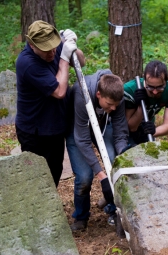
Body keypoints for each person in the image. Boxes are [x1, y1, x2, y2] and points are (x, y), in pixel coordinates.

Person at [15, 20, 85, 187]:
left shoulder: (53, 47)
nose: (52, 52)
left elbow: (81, 62)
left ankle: (49, 209)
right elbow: (59, 92)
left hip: (54, 128)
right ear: (32, 45)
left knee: (54, 173)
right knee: (36, 179)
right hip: (34, 132)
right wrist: (64, 58)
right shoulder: (27, 63)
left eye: (54, 46)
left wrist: (73, 46)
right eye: (46, 49)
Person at [66, 69, 130, 231]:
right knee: (85, 176)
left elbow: (120, 130)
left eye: (116, 104)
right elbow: (82, 139)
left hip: (101, 124)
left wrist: (121, 154)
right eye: (110, 104)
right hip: (78, 130)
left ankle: (114, 210)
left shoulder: (116, 96)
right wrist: (101, 176)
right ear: (99, 95)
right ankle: (81, 216)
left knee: (111, 159)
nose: (114, 108)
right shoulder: (82, 93)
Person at [124, 60, 168, 145]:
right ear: (145, 80)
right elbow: (131, 127)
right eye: (150, 87)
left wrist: (153, 131)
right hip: (125, 131)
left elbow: (167, 125)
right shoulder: (130, 90)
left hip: (146, 128)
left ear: (166, 81)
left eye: (160, 87)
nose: (154, 92)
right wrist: (140, 107)